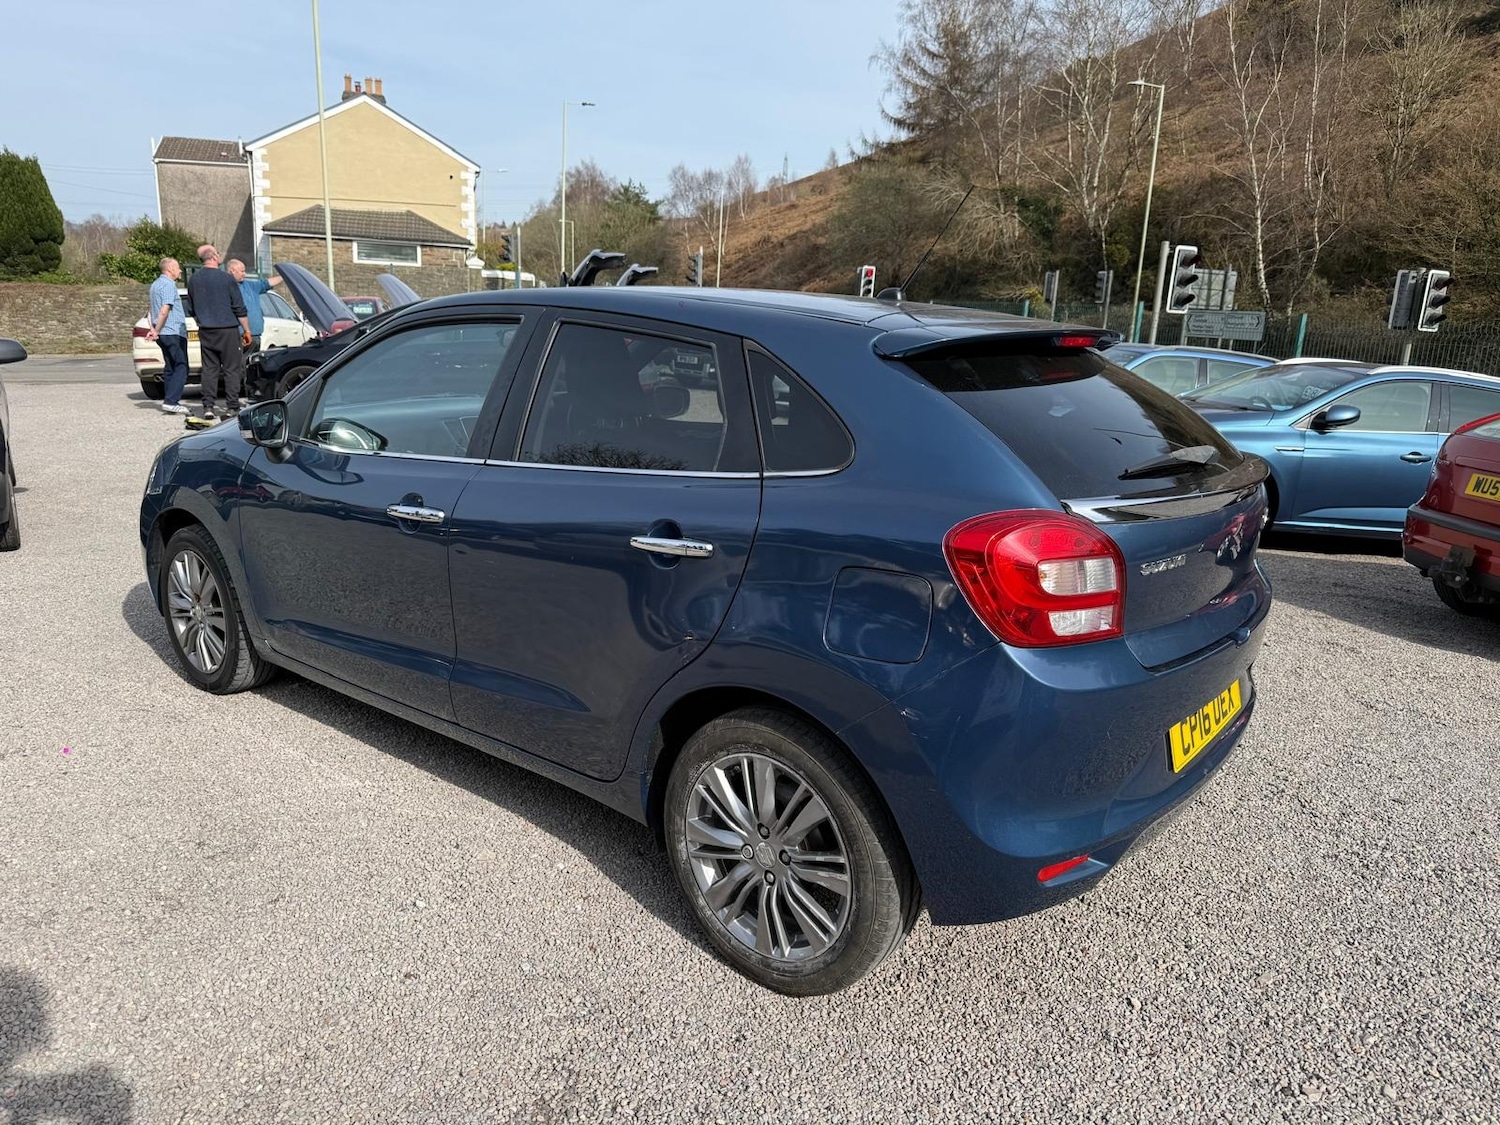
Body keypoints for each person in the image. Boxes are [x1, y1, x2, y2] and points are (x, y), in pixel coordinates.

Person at [185, 245, 251, 421]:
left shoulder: (194, 280)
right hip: (228, 329)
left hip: (206, 330)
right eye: (218, 252)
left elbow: (191, 308)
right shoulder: (226, 279)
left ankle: (208, 406)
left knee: (209, 369)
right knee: (231, 369)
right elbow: (239, 308)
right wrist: (247, 330)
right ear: (214, 256)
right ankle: (232, 407)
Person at [144, 257, 189, 414]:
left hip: (163, 333)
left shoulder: (155, 285)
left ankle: (169, 400)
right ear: (170, 268)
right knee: (181, 366)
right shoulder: (169, 285)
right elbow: (164, 309)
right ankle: (171, 401)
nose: (180, 271)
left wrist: (153, 329)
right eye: (177, 267)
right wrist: (156, 330)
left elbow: (151, 311)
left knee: (170, 366)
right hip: (173, 331)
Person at [226, 258, 281, 355]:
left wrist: (284, 276)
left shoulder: (250, 285)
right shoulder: (225, 287)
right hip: (237, 336)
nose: (245, 274)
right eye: (242, 271)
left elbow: (267, 283)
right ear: (232, 271)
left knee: (251, 365)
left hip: (255, 336)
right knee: (238, 366)